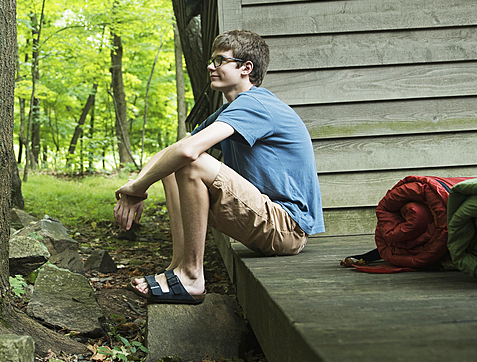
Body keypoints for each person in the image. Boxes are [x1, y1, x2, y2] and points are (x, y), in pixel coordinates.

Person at [114, 29, 324, 304]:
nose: (211, 66)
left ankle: (191, 275)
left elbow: (189, 152)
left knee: (191, 163)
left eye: (220, 60)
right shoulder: (231, 110)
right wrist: (134, 188)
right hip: (265, 219)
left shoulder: (256, 104)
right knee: (173, 166)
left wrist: (139, 190)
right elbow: (171, 151)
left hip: (286, 228)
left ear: (246, 68)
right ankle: (177, 268)